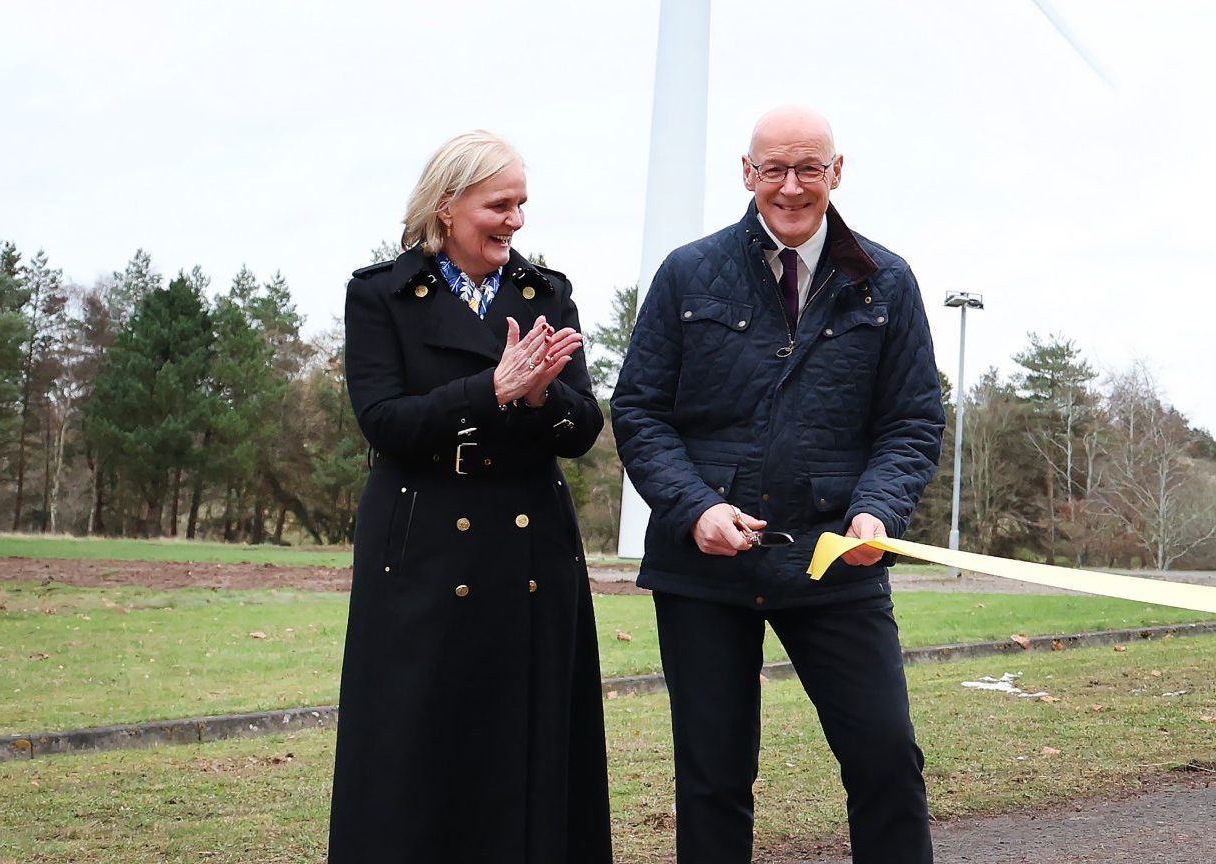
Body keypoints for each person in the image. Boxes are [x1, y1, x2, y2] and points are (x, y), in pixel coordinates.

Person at [611, 105, 946, 863]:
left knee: (886, 760)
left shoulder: (887, 281)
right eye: (774, 170)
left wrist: (877, 511)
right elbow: (637, 412)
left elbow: (912, 423)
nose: (790, 188)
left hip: (835, 561)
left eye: (808, 169)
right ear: (746, 173)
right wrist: (695, 508)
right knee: (712, 779)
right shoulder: (687, 273)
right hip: (704, 568)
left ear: (837, 172)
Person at [329, 130, 612, 863]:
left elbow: (582, 430)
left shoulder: (546, 292)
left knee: (529, 744)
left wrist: (545, 392)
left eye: (521, 204)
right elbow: (383, 422)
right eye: (500, 204)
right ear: (447, 207)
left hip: (529, 557)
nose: (516, 220)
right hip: (420, 555)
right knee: (414, 747)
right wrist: (491, 389)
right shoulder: (379, 295)